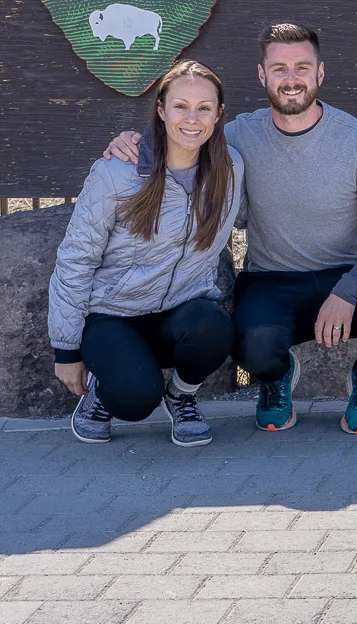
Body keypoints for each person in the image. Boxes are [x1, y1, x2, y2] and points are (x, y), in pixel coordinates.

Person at [106, 23, 357, 435]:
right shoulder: (238, 134)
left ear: (319, 74)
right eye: (279, 69)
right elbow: (182, 136)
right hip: (272, 279)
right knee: (251, 347)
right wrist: (132, 141)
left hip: (348, 277)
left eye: (301, 68)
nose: (291, 79)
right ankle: (276, 379)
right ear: (262, 76)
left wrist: (347, 292)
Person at [51, 60, 245, 447]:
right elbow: (77, 258)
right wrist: (66, 350)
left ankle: (182, 395)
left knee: (215, 328)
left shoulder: (230, 169)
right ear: (160, 109)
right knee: (136, 400)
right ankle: (104, 394)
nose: (192, 119)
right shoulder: (116, 172)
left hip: (180, 309)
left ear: (219, 114)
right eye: (180, 106)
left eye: (204, 108)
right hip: (113, 315)